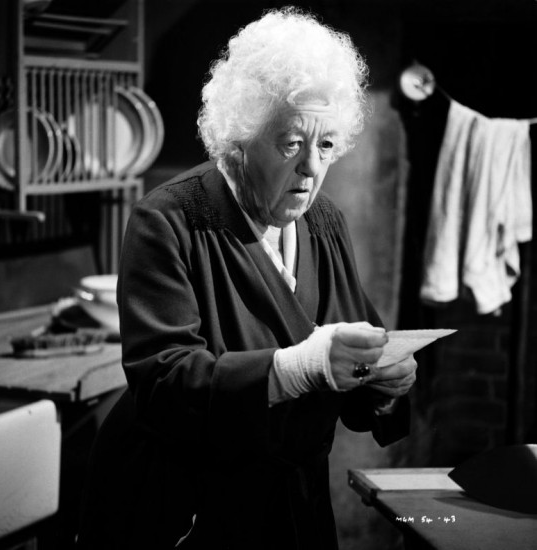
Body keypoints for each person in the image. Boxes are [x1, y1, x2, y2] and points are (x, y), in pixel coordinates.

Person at [76, 7, 417, 550]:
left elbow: (354, 359)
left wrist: (383, 382)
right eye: (292, 143)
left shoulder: (324, 223)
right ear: (242, 135)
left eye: (326, 145)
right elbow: (164, 384)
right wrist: (300, 367)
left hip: (296, 510)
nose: (312, 167)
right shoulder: (170, 220)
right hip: (190, 514)